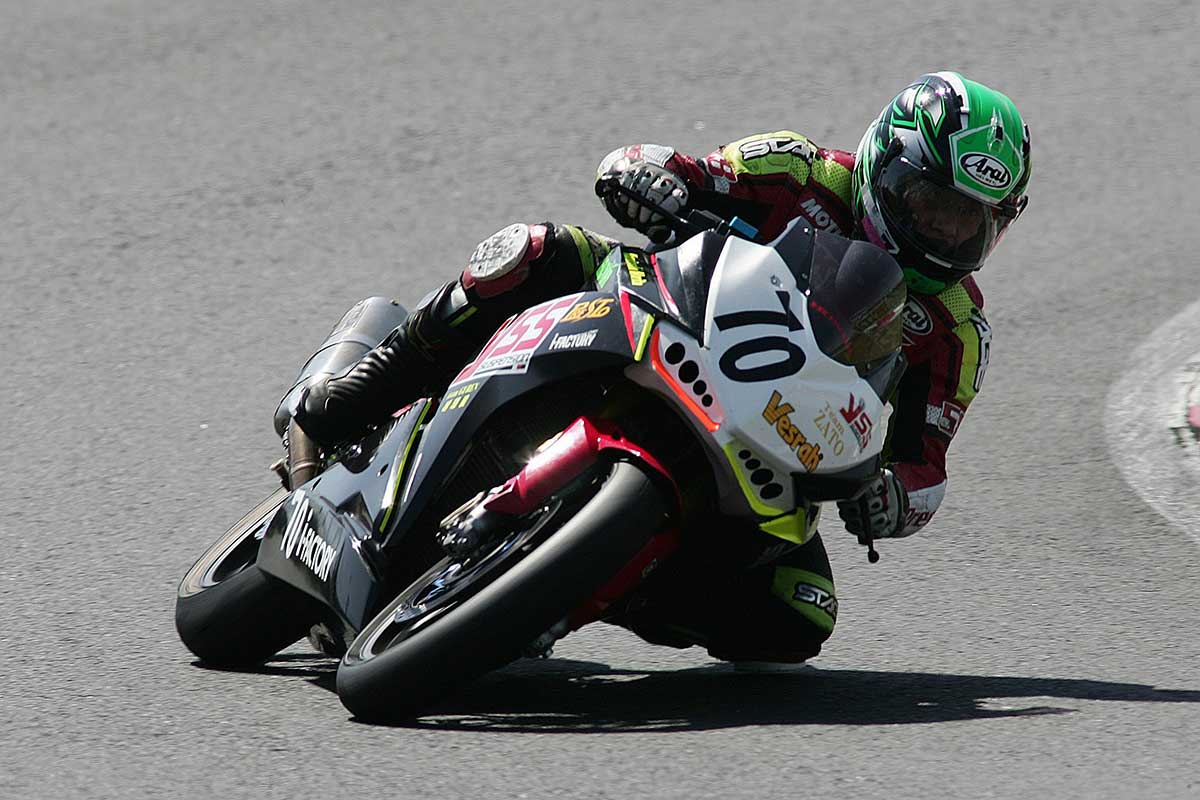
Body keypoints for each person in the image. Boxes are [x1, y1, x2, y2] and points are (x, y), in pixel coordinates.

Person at [292, 71, 1031, 665]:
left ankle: (577, 585)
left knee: (799, 615)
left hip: (777, 438)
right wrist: (647, 181)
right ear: (884, 166)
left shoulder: (958, 331)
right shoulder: (798, 170)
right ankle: (368, 385)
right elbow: (670, 165)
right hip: (663, 312)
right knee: (532, 251)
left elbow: (927, 464)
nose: (942, 232)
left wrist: (892, 498)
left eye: (968, 221)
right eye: (930, 203)